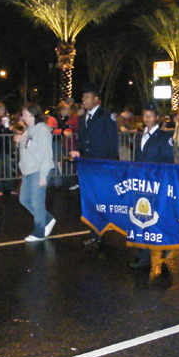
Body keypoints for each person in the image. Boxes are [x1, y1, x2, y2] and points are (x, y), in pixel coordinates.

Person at [69, 85, 119, 247]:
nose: (84, 100)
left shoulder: (106, 116)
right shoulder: (83, 118)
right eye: (83, 97)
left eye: (88, 97)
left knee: (102, 201)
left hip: (102, 165)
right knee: (90, 201)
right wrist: (78, 153)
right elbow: (82, 142)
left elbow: (112, 143)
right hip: (88, 166)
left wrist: (109, 165)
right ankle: (94, 233)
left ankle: (101, 234)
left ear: (96, 99)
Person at [128, 102, 175, 270]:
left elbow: (167, 161)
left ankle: (165, 244)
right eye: (145, 115)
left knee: (158, 217)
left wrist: (157, 178)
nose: (147, 118)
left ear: (157, 118)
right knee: (141, 218)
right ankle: (143, 256)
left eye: (150, 115)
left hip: (156, 183)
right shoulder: (139, 136)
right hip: (141, 183)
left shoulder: (164, 137)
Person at [15, 103, 56, 242]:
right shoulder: (29, 129)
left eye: (26, 114)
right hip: (28, 170)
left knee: (37, 202)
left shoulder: (42, 131)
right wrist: (19, 140)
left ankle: (40, 230)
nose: (23, 117)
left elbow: (46, 154)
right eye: (23, 114)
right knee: (24, 199)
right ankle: (47, 219)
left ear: (34, 115)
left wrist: (43, 176)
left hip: (38, 169)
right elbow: (28, 147)